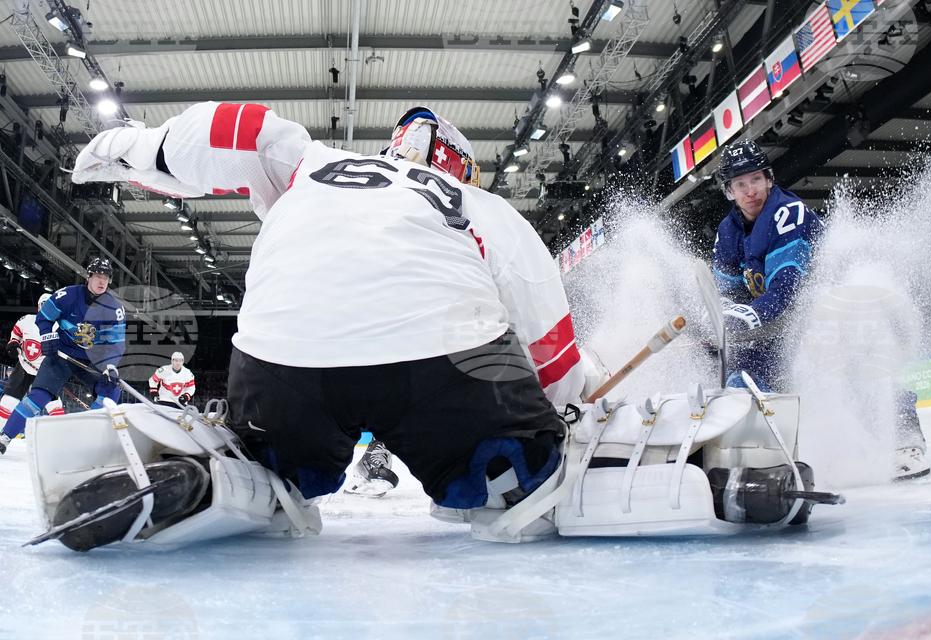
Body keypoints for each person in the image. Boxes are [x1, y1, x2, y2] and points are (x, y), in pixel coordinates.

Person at [71, 103, 585, 513]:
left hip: (282, 364)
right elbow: (545, 333)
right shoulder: (475, 202)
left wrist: (138, 145)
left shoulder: (313, 161)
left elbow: (242, 130)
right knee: (511, 466)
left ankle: (244, 474)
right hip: (442, 364)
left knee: (275, 466)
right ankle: (515, 477)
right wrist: (561, 415)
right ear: (460, 167)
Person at [711, 140, 928, 480]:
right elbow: (726, 291)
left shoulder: (788, 212)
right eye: (740, 183)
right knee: (743, 379)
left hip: (834, 309)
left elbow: (787, 287)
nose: (749, 190)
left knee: (850, 372)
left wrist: (745, 315)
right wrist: (720, 316)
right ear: (729, 191)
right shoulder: (727, 231)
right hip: (784, 322)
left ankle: (906, 443)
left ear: (768, 178)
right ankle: (770, 459)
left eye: (755, 179)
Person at [0, 258, 126, 455]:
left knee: (111, 392)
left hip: (92, 359)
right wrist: (47, 335)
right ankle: (5, 436)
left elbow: (115, 343)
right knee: (39, 396)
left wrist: (111, 366)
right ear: (88, 277)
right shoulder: (67, 295)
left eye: (106, 278)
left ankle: (82, 443)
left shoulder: (114, 309)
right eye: (98, 276)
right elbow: (45, 317)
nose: (102, 281)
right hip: (62, 355)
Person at [0, 293, 65, 430]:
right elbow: (16, 335)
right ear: (38, 306)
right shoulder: (26, 320)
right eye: (43, 305)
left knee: (54, 406)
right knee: (7, 402)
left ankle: (62, 434)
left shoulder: (60, 327)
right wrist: (13, 344)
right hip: (24, 367)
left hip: (45, 371)